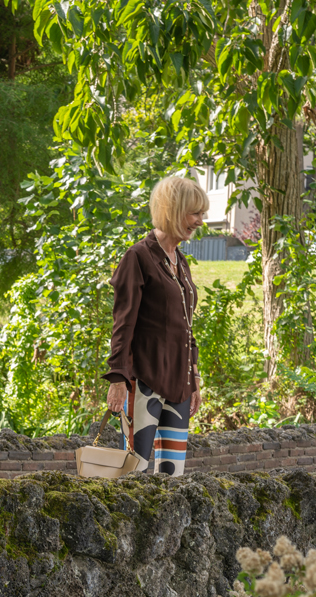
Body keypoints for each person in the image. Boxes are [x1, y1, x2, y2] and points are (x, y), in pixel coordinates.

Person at [103, 175, 209, 476]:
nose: (200, 221)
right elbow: (123, 325)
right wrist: (118, 379)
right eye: (194, 213)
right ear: (174, 210)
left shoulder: (181, 262)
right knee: (132, 472)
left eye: (202, 214)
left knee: (172, 475)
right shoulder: (137, 257)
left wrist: (194, 378)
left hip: (180, 385)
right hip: (144, 381)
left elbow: (186, 327)